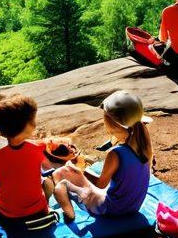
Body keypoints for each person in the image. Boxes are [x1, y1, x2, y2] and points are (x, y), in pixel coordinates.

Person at [52, 90, 152, 222]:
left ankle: (69, 214)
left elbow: (101, 184)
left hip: (112, 209)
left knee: (62, 181)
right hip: (133, 207)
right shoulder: (144, 145)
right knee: (77, 176)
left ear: (112, 122)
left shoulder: (116, 153)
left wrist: (82, 170)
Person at [0, 94, 59, 231]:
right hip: (38, 212)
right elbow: (49, 166)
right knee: (47, 181)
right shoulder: (37, 149)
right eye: (33, 120)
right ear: (29, 125)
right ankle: (47, 208)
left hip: (7, 217)